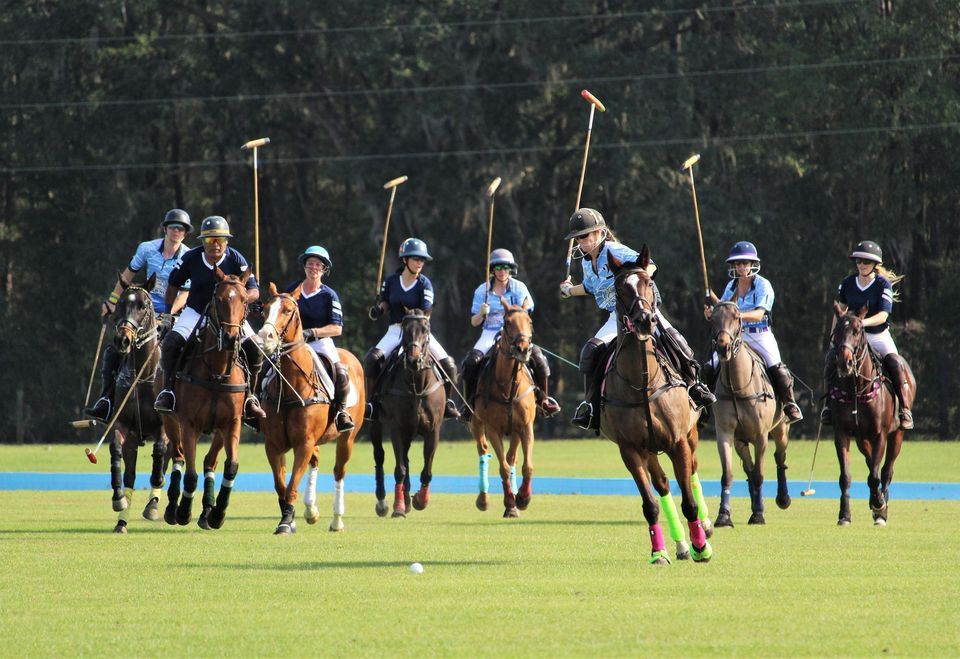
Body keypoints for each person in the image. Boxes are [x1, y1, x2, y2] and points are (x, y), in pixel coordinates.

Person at [559, 208, 716, 430]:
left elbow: (650, 265)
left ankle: (695, 387)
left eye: (584, 236)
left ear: (600, 232)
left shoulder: (615, 250)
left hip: (641, 309)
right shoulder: (586, 262)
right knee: (589, 352)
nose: (580, 241)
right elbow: (589, 287)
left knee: (676, 342)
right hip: (617, 316)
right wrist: (569, 291)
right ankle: (591, 406)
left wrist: (640, 280)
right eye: (578, 238)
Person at [84, 208, 193, 422]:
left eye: (181, 229)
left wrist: (168, 315)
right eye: (173, 227)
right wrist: (112, 301)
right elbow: (127, 276)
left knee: (182, 350)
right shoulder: (147, 249)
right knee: (115, 349)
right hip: (142, 311)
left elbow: (185, 293)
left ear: (185, 233)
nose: (177, 232)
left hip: (171, 313)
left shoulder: (188, 256)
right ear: (165, 228)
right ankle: (105, 400)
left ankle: (176, 398)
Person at [153, 216, 265, 420]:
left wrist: (238, 300)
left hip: (230, 316)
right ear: (202, 242)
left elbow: (254, 291)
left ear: (226, 242)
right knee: (170, 343)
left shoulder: (236, 259)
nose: (215, 245)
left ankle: (250, 397)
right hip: (195, 311)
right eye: (209, 240)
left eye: (219, 240)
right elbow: (173, 285)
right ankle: (168, 391)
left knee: (255, 348)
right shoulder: (191, 258)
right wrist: (168, 315)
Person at [702, 241, 803, 423]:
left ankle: (789, 403)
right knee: (709, 367)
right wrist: (712, 312)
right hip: (736, 336)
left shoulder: (763, 285)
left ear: (752, 265)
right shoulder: (731, 286)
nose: (741, 267)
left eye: (744, 263)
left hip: (760, 335)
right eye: (738, 264)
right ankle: (706, 407)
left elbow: (758, 314)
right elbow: (724, 309)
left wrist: (738, 315)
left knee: (777, 367)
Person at [459, 248, 560, 421]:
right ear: (492, 269)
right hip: (489, 333)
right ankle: (468, 405)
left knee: (540, 361)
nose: (502, 271)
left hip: (515, 334)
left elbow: (526, 314)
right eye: (498, 267)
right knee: (470, 363)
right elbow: (474, 322)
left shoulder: (519, 288)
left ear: (511, 269)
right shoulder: (482, 291)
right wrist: (482, 313)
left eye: (506, 267)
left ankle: (544, 400)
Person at [364, 237, 460, 420]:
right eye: (416, 259)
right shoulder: (391, 281)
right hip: (395, 330)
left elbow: (427, 311)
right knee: (371, 360)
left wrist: (416, 325)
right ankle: (373, 403)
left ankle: (447, 403)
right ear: (404, 260)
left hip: (419, 333)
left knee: (449, 364)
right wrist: (379, 309)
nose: (419, 263)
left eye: (422, 260)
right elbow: (385, 302)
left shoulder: (424, 284)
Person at [821, 240, 913, 429]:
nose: (861, 265)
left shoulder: (882, 284)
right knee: (831, 360)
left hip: (877, 335)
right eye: (859, 261)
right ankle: (828, 406)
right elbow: (841, 311)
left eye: (866, 262)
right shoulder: (847, 283)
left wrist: (861, 323)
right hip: (850, 337)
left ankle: (904, 410)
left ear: (874, 264)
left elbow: (883, 315)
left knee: (895, 363)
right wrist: (834, 337)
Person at [286, 245, 354, 432]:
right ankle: (258, 404)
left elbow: (337, 328)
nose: (313, 268)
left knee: (340, 373)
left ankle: (341, 412)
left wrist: (312, 332)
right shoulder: (293, 289)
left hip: (320, 343)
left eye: (318, 265)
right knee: (267, 367)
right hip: (292, 344)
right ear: (304, 267)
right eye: (310, 264)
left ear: (324, 269)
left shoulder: (329, 295)